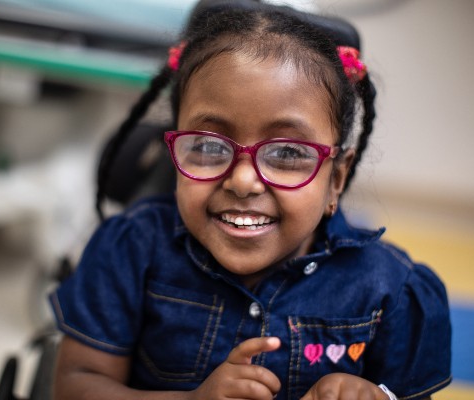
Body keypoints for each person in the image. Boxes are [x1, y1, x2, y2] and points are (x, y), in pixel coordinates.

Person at [49, 1, 452, 399]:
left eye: (288, 153)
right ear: (174, 152)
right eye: (207, 145)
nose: (243, 181)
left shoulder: (391, 294)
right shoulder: (130, 252)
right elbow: (75, 385)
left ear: (336, 180)